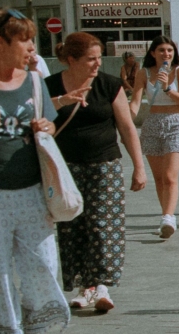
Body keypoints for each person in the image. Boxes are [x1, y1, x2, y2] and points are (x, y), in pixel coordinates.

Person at [0, 11, 67, 334]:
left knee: (42, 264)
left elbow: (49, 125)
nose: (32, 48)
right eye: (24, 41)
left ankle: (35, 331)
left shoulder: (34, 81)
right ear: (0, 42)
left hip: (32, 190)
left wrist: (46, 126)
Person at [45, 32, 146, 313]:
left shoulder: (109, 85)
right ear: (71, 59)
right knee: (73, 226)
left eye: (99, 57)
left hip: (105, 164)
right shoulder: (50, 86)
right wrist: (62, 100)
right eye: (91, 59)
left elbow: (127, 127)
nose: (97, 63)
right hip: (65, 167)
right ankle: (84, 287)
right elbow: (39, 121)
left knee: (104, 223)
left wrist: (139, 167)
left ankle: (101, 285)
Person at [134, 37, 179, 240]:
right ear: (153, 53)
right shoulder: (143, 73)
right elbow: (135, 101)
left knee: (169, 176)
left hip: (175, 122)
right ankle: (165, 217)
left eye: (170, 50)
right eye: (161, 50)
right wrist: (124, 119)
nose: (166, 54)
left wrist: (168, 87)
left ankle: (169, 217)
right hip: (152, 124)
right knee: (159, 179)